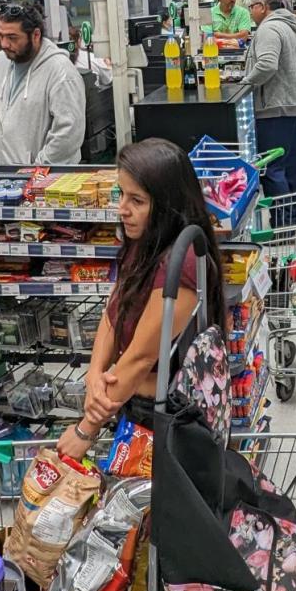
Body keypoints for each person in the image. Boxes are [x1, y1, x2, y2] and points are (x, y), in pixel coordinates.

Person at [56, 138, 226, 458]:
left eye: (137, 200)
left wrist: (85, 430)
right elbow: (115, 308)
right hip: (132, 404)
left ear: (166, 205)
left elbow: (141, 358)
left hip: (167, 417)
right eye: (122, 195)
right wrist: (94, 375)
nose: (123, 209)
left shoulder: (183, 264)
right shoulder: (145, 240)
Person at [0, 4, 86, 164]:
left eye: (12, 37)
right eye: (1, 36)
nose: (5, 44)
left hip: (44, 180)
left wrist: (38, 169)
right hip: (0, 178)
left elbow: (69, 133)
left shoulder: (60, 71)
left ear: (35, 35)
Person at [243, 0, 296, 226]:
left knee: (273, 170)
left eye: (251, 6)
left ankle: (282, 226)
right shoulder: (288, 27)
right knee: (292, 169)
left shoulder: (269, 29)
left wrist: (244, 84)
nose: (250, 12)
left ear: (262, 6)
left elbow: (267, 65)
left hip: (276, 110)